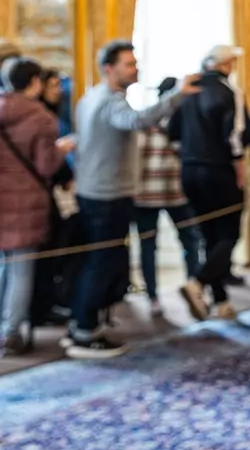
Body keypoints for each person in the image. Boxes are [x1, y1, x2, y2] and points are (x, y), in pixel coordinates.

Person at [71, 41, 197, 357]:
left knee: (100, 263)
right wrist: (178, 95)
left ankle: (85, 325)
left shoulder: (90, 97)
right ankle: (85, 332)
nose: (136, 68)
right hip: (107, 196)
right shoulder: (110, 101)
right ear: (109, 68)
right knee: (101, 264)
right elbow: (137, 121)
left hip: (97, 192)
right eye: (129, 64)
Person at [0, 58, 76, 356]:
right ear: (34, 82)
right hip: (25, 201)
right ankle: (11, 332)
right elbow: (46, 166)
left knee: (5, 267)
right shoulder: (40, 117)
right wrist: (61, 150)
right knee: (22, 269)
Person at [170, 45, 247, 322]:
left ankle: (221, 301)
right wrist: (240, 171)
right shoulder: (229, 92)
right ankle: (199, 282)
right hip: (219, 170)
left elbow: (173, 134)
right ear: (226, 64)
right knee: (229, 234)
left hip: (189, 170)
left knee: (209, 236)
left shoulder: (188, 91)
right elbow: (236, 136)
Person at [133, 77, 204, 315]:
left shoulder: (177, 121)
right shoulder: (147, 121)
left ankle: (187, 288)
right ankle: (162, 293)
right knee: (173, 243)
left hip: (163, 193)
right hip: (161, 192)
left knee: (180, 242)